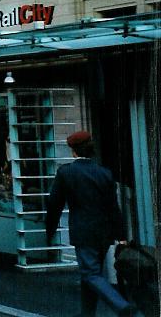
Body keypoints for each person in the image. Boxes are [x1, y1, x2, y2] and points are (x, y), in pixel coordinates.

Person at [46, 131, 137, 317]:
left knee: (90, 274)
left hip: (83, 231)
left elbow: (55, 204)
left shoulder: (66, 172)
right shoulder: (105, 173)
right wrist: (121, 236)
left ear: (73, 151)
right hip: (104, 232)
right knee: (91, 274)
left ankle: (123, 307)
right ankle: (87, 314)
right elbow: (113, 207)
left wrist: (50, 230)